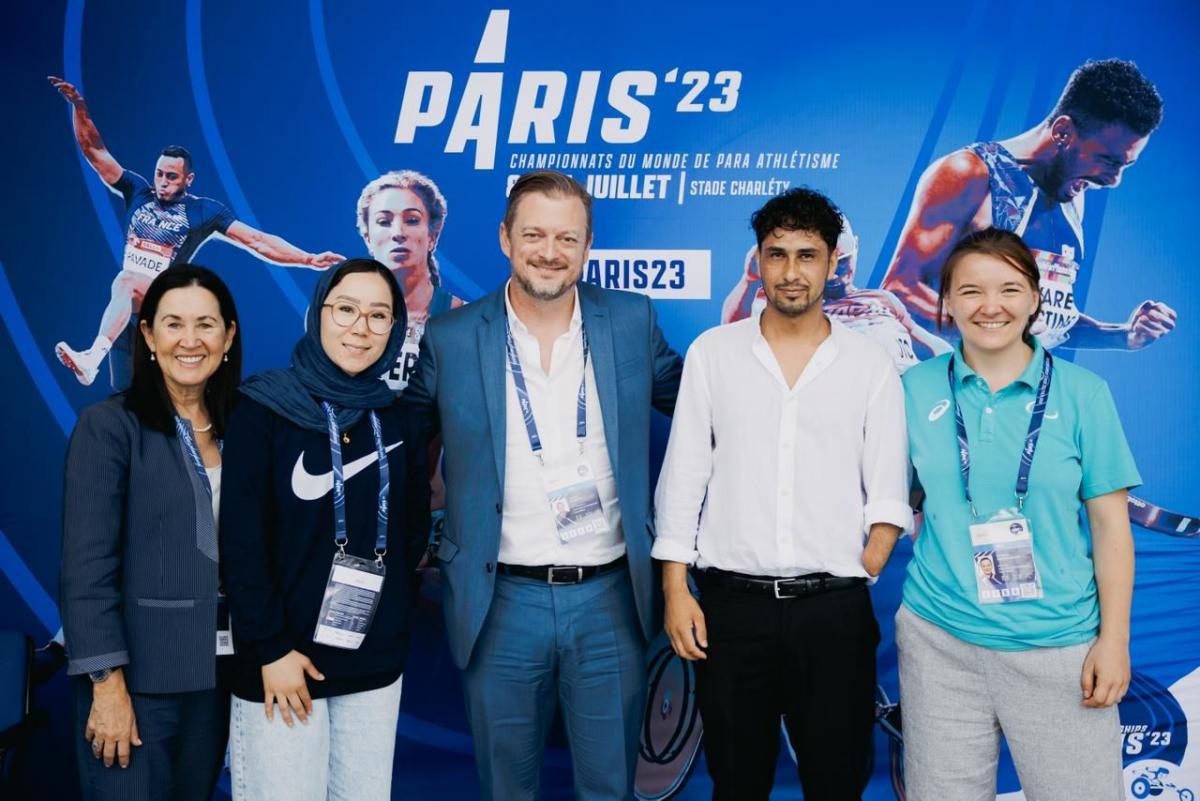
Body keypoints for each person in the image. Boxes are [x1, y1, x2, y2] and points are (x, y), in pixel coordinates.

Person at [403, 170, 683, 800]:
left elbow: (701, 405)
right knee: (507, 787)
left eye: (567, 238)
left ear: (586, 247)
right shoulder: (451, 338)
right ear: (505, 238)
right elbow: (403, 444)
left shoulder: (631, 321)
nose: (550, 252)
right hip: (498, 599)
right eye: (534, 234)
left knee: (610, 787)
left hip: (611, 596)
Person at [653, 188, 912, 801]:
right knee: (737, 779)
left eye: (807, 255)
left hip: (833, 609)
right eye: (777, 255)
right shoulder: (713, 354)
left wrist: (865, 560)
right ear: (759, 262)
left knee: (837, 777)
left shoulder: (867, 362)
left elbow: (888, 482)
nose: (791, 272)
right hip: (731, 608)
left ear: (831, 263)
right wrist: (673, 590)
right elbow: (684, 473)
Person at [898, 228, 1139, 800]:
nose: (991, 307)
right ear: (947, 304)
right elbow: (893, 500)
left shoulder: (1085, 394)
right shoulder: (911, 387)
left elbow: (1111, 530)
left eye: (1009, 289)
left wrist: (1115, 641)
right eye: (971, 291)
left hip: (1058, 648)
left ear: (1034, 300)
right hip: (940, 643)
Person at [218, 259, 431, 800]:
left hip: (373, 666)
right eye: (346, 310)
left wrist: (393, 623)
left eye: (379, 315)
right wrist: (269, 649)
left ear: (395, 328)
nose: (360, 328)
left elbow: (411, 530)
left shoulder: (399, 415)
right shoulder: (263, 407)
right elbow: (240, 542)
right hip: (284, 666)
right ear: (318, 313)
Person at [60, 263, 241, 800]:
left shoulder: (245, 427)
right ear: (148, 336)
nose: (191, 340)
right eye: (173, 324)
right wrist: (106, 683)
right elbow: (85, 569)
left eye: (206, 325)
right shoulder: (110, 427)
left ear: (228, 336)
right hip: (135, 682)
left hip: (217, 677)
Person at [48, 76, 343, 388]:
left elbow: (257, 240)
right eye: (159, 174)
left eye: (172, 177)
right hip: (127, 311)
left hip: (164, 301)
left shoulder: (204, 211)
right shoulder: (137, 192)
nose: (162, 181)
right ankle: (97, 362)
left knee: (126, 280)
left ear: (189, 180)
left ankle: (91, 357)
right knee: (126, 400)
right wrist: (79, 107)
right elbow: (95, 151)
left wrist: (307, 259)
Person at [880, 58, 1175, 352]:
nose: (1114, 181)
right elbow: (900, 289)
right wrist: (997, 327)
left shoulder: (1072, 192)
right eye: (1107, 161)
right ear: (1063, 132)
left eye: (1126, 165)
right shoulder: (970, 173)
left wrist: (1123, 335)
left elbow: (1046, 325)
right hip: (936, 387)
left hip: (1006, 392)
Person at [721, 213, 950, 371]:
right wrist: (750, 281)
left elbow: (936, 348)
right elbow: (731, 335)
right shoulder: (785, 302)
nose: (836, 272)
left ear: (856, 249)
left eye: (843, 261)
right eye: (825, 263)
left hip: (903, 395)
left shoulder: (883, 300)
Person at [357, 169, 466, 392]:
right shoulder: (341, 316)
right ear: (368, 237)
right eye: (384, 221)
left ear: (432, 236)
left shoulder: (463, 320)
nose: (398, 232)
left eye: (412, 220)